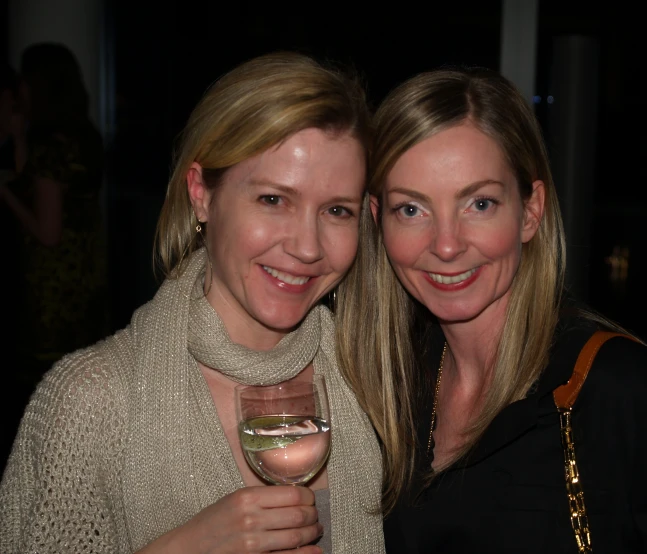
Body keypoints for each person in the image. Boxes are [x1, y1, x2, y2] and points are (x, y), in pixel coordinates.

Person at [336, 67, 647, 552]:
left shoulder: (646, 408)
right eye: (412, 209)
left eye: (479, 204)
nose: (445, 245)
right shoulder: (386, 389)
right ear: (378, 220)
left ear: (530, 211)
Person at [0, 52, 384, 554]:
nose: (307, 247)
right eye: (273, 200)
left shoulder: (371, 381)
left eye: (336, 210)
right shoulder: (90, 402)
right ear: (202, 193)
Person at [0, 43, 107, 385]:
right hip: (85, 273)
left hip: (53, 287)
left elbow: (47, 232)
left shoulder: (50, 149)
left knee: (47, 387)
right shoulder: (82, 138)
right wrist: (19, 140)